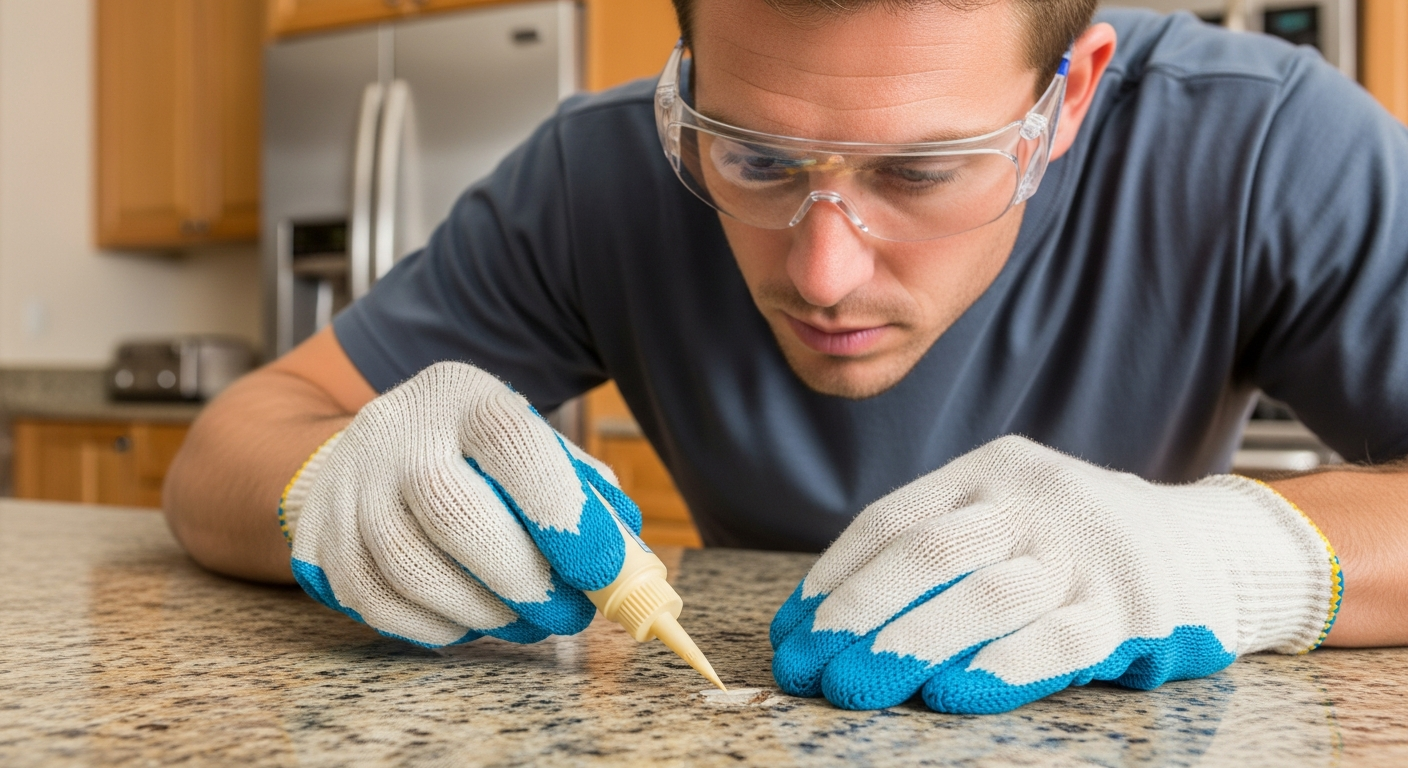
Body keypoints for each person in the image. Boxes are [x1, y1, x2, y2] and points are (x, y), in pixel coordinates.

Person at [164, 0, 1408, 714]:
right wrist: (344, 485)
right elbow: (230, 444)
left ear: (1070, 96)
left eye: (920, 171)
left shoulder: (1269, 148)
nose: (821, 276)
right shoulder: (594, 177)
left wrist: (1239, 556)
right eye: (753, 159)